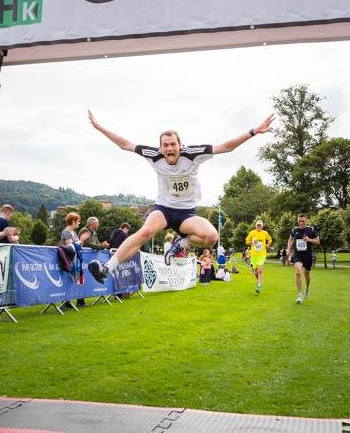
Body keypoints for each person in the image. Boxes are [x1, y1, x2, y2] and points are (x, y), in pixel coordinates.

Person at [86, 110, 274, 283]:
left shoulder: (192, 155)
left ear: (180, 146)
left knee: (211, 237)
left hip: (186, 214)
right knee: (145, 232)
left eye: (173, 144)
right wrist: (100, 127)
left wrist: (254, 131)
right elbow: (125, 144)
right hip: (163, 209)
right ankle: (106, 268)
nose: (169, 148)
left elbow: (225, 147)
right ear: (160, 149)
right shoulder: (154, 155)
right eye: (165, 145)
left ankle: (180, 244)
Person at [287, 213, 320, 303]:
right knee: (298, 272)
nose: (301, 223)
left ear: (306, 220)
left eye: (303, 221)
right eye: (299, 221)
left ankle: (307, 287)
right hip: (298, 254)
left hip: (308, 255)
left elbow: (318, 241)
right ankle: (299, 295)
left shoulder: (311, 229)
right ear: (297, 221)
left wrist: (309, 239)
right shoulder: (295, 230)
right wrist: (288, 249)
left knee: (307, 274)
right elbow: (291, 239)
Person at [245, 219, 272, 294]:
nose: (259, 226)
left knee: (260, 270)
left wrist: (268, 244)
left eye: (260, 225)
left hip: (262, 254)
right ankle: (259, 281)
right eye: (258, 225)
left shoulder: (265, 233)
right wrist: (252, 242)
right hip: (254, 255)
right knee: (256, 272)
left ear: (262, 226)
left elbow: (270, 239)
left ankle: (259, 285)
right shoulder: (252, 232)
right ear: (256, 226)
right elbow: (247, 241)